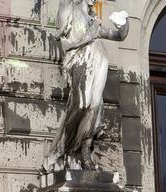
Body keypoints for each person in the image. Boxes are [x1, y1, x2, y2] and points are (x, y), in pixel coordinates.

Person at [44, 0, 129, 171]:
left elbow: (119, 36)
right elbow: (68, 43)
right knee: (81, 104)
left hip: (99, 64)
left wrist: (124, 22)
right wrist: (89, 37)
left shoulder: (93, 21)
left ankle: (85, 150)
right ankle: (64, 147)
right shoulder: (70, 11)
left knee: (95, 107)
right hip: (81, 63)